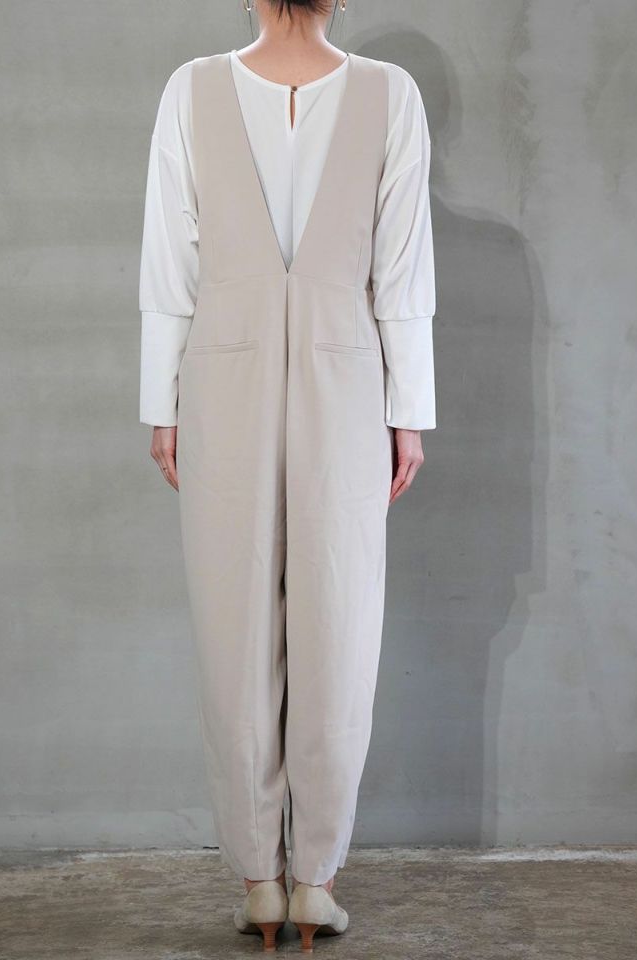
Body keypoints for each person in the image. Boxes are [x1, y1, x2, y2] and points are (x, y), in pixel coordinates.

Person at [138, 0, 436, 951]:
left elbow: (170, 262)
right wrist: (408, 412)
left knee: (234, 630)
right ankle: (316, 883)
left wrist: (160, 403)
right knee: (338, 627)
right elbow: (402, 269)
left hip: (219, 373)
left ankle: (261, 883)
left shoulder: (191, 89)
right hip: (348, 376)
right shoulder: (391, 95)